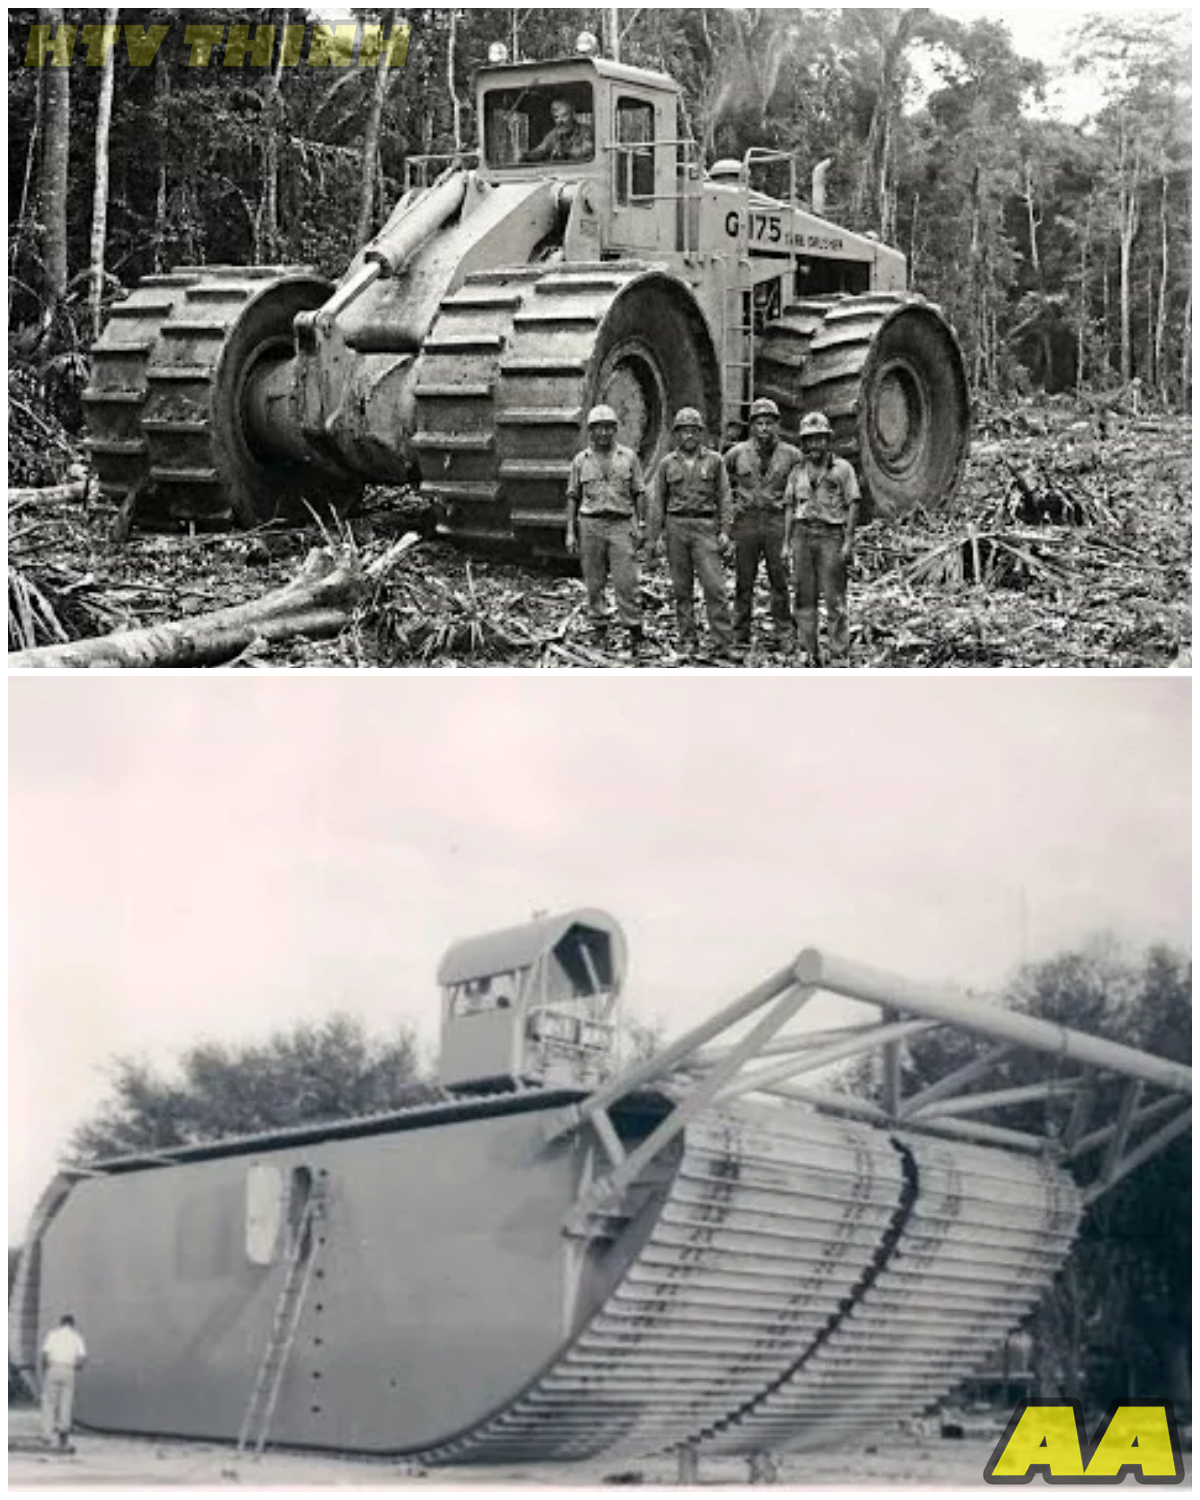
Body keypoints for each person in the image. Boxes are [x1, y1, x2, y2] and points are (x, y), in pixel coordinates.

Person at [647, 408, 734, 660]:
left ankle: (722, 641)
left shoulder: (715, 461)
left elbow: (725, 497)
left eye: (694, 430)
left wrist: (725, 531)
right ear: (677, 434)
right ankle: (687, 639)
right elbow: (658, 502)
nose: (689, 435)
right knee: (682, 589)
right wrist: (655, 537)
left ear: (701, 433)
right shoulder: (667, 464)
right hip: (676, 526)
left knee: (715, 587)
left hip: (705, 527)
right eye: (684, 431)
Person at [565, 405, 647, 655]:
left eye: (608, 428)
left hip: (621, 524)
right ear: (591, 432)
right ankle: (599, 629)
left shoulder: (628, 457)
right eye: (598, 429)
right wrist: (570, 532)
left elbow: (639, 492)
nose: (603, 433)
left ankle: (634, 631)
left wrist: (640, 524)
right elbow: (572, 496)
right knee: (594, 582)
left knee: (626, 581)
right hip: (590, 525)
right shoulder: (581, 460)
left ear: (615, 430)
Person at [783, 410, 862, 665]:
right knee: (804, 597)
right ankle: (810, 651)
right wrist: (786, 544)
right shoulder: (797, 472)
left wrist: (848, 541)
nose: (815, 444)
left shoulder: (842, 469)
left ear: (828, 440)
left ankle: (838, 654)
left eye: (819, 439)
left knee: (834, 598)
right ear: (804, 443)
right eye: (810, 440)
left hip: (831, 536)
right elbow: (789, 506)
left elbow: (853, 503)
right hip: (802, 535)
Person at [723, 396, 801, 652]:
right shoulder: (736, 454)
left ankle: (784, 632)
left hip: (776, 522)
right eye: (759, 423)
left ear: (777, 425)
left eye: (769, 423)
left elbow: (804, 489)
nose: (764, 428)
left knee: (779, 580)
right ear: (752, 426)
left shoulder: (792, 456)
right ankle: (740, 632)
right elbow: (721, 484)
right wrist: (728, 518)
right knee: (744, 581)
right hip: (747, 522)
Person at [40, 1313, 87, 1451]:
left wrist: (45, 1369)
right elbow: (82, 1358)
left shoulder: (52, 1335)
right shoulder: (76, 1337)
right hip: (68, 1370)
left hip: (53, 1368)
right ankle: (63, 1434)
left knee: (49, 1403)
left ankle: (47, 1435)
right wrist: (76, 1368)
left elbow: (44, 1354)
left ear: (61, 1323)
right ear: (72, 1325)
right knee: (66, 1402)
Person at [522, 98, 592, 162]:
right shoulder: (553, 134)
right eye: (556, 117)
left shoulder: (586, 131)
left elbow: (587, 151)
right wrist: (527, 156)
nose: (560, 121)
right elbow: (541, 149)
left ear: (573, 115)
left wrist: (566, 155)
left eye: (564, 115)